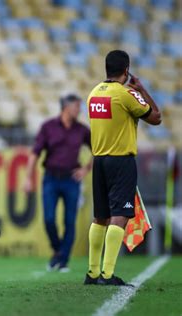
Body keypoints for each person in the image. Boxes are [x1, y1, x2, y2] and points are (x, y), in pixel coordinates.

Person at [84, 50, 161, 286]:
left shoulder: (94, 93)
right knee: (119, 216)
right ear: (126, 70)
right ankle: (107, 275)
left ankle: (92, 272)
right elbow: (156, 117)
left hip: (99, 160)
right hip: (121, 161)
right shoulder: (126, 94)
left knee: (100, 217)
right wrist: (142, 90)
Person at [25, 94, 92, 272]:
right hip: (51, 179)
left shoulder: (82, 130)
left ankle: (62, 260)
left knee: (70, 221)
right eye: (77, 106)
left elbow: (98, 149)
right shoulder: (48, 127)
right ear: (66, 107)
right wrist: (28, 178)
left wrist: (86, 169)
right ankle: (58, 252)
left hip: (72, 180)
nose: (79, 110)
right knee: (48, 219)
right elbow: (35, 153)